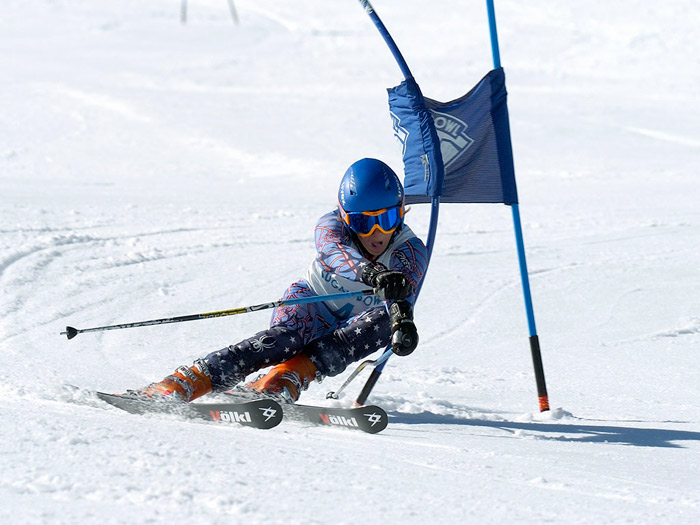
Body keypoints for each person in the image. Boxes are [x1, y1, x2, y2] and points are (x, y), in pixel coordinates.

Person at [132, 158, 428, 403]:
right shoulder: (331, 226)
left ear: (401, 213)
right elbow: (338, 255)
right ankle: (187, 381)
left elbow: (403, 295)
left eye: (387, 219)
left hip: (351, 329)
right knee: (286, 339)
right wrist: (373, 273)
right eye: (364, 222)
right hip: (309, 305)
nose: (377, 232)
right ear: (346, 217)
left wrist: (403, 323)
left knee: (384, 322)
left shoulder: (410, 249)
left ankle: (286, 376)